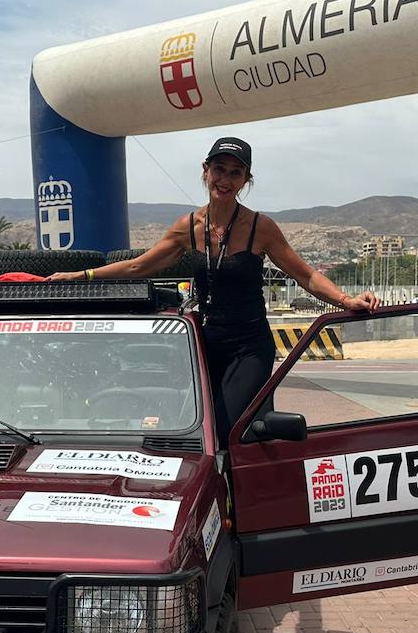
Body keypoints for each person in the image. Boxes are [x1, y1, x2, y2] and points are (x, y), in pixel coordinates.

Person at [49, 136, 378, 442]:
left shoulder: (260, 227)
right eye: (219, 169)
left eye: (236, 173)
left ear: (246, 181)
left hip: (249, 346)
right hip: (206, 345)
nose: (226, 179)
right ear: (205, 171)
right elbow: (139, 266)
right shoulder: (187, 228)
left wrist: (347, 300)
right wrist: (82, 275)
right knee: (191, 427)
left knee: (221, 428)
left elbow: (305, 276)